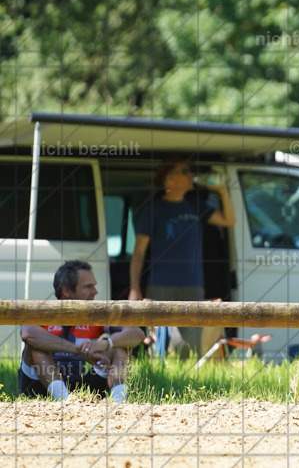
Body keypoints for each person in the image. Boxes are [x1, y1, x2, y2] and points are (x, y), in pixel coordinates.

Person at [130, 160, 235, 356]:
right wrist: (135, 287)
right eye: (185, 171)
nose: (190, 175)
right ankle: (158, 379)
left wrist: (222, 190)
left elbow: (229, 220)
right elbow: (139, 252)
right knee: (158, 341)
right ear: (169, 179)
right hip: (161, 285)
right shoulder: (154, 209)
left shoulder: (195, 205)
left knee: (191, 342)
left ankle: (190, 379)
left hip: (192, 284)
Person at [20, 260, 145, 402]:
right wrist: (78, 350)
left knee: (119, 346)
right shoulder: (43, 311)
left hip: (85, 379)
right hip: (40, 385)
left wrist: (105, 344)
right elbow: (27, 334)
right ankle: (65, 402)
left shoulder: (96, 313)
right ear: (67, 291)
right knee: (35, 348)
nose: (95, 291)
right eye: (88, 287)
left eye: (94, 286)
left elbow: (137, 333)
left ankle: (119, 404)